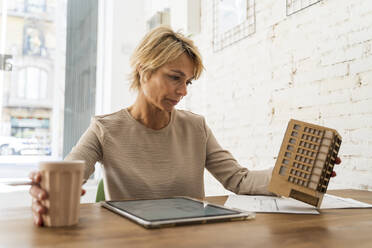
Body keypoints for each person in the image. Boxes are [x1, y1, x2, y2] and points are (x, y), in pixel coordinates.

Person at [29, 26, 341, 226]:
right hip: (131, 241)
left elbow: (239, 180)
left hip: (193, 237)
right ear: (142, 70)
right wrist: (44, 190)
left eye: (188, 81)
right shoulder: (105, 129)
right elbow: (66, 177)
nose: (183, 91)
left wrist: (297, 173)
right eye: (174, 77)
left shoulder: (196, 127)